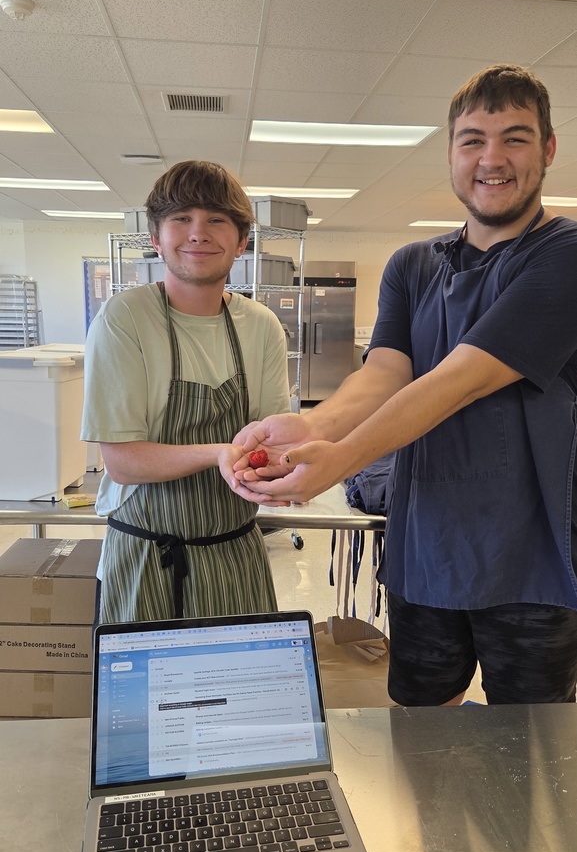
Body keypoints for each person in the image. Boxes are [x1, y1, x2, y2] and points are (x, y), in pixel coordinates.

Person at [227, 64, 577, 705]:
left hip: (531, 561)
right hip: (427, 548)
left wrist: (338, 461)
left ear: (549, 149)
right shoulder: (414, 265)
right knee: (421, 735)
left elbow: (461, 380)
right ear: (450, 152)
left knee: (529, 761)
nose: (491, 159)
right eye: (472, 140)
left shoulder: (564, 254)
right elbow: (386, 373)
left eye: (515, 138)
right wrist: (311, 428)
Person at [81, 159, 290, 623]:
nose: (198, 233)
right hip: (145, 556)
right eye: (181, 219)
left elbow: (275, 439)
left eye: (217, 219)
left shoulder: (262, 327)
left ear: (242, 242)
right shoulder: (125, 318)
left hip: (234, 553)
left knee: (241, 692)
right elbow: (122, 461)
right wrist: (218, 453)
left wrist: (282, 470)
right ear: (156, 237)